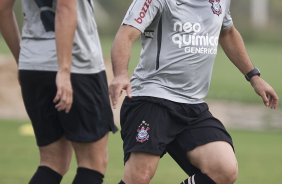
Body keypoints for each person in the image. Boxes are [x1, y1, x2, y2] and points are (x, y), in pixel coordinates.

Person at [109, 0, 279, 184]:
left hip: (192, 104)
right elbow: (126, 34)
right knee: (138, 177)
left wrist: (254, 76)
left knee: (223, 169)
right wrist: (120, 74)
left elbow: (228, 32)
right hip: (153, 97)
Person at [0, 0, 117, 183]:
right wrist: (64, 70)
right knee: (93, 163)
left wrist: (22, 59)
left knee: (53, 162)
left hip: (33, 64)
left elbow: (2, 9)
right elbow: (65, 7)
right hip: (77, 66)